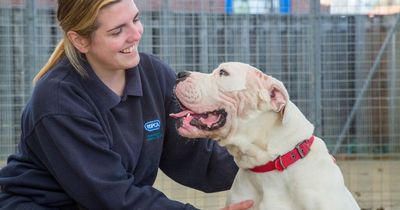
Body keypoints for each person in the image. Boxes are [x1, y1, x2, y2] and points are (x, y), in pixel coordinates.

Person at [0, 0, 254, 209]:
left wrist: (265, 163)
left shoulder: (153, 75)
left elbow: (199, 159)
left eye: (135, 19)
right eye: (117, 31)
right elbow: (110, 195)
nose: (135, 34)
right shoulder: (58, 100)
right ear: (80, 41)